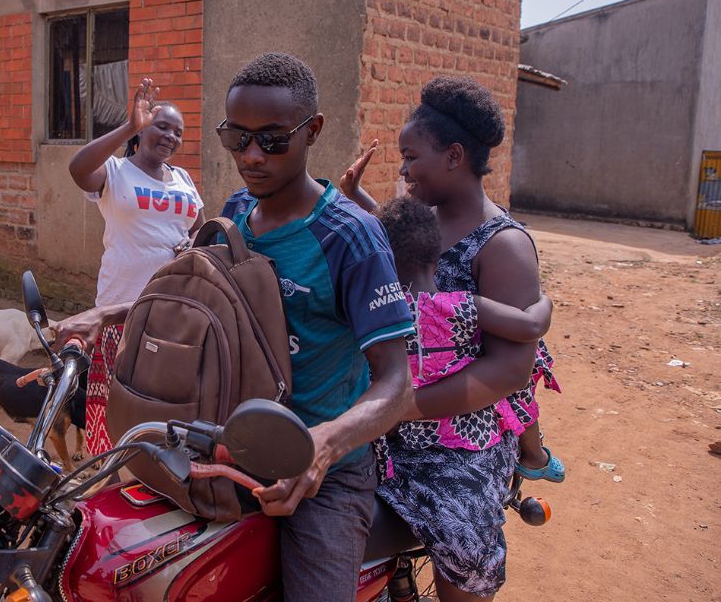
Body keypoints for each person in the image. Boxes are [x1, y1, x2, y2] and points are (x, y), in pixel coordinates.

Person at [59, 53, 414, 602]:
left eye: (272, 139)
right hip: (222, 445)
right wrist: (105, 314)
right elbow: (200, 299)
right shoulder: (237, 211)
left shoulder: (351, 237)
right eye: (236, 138)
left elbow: (397, 383)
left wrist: (321, 446)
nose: (251, 156)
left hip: (319, 470)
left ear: (311, 131)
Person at [342, 75, 560, 601]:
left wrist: (401, 408)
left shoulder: (503, 246)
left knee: (463, 547)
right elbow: (397, 239)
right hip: (389, 417)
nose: (402, 169)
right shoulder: (420, 221)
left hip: (461, 441)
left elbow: (509, 371)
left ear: (455, 155)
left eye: (410, 156)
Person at [67, 77, 204, 456]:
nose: (170, 136)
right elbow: (78, 169)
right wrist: (128, 126)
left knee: (159, 398)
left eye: (178, 132)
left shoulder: (183, 180)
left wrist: (192, 244)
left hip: (172, 310)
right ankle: (109, 469)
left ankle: (154, 465)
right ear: (143, 128)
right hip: (119, 309)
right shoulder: (115, 172)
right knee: (115, 397)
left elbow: (199, 228)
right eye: (162, 126)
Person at [373, 195, 556, 453]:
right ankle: (534, 455)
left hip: (394, 434)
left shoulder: (381, 309)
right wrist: (544, 302)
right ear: (438, 262)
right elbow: (530, 327)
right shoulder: (458, 305)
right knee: (529, 360)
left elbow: (392, 229)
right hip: (462, 432)